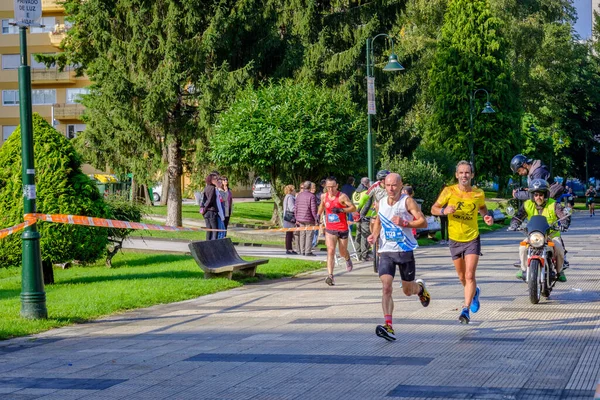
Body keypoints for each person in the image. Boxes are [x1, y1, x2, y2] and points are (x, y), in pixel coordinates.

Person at [368, 173, 431, 341]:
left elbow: (423, 222)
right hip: (386, 251)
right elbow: (379, 222)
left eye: (394, 185)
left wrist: (405, 223)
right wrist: (374, 235)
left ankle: (419, 289)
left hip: (405, 251)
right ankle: (388, 325)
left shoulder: (407, 202)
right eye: (388, 185)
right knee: (386, 287)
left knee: (407, 291)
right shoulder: (380, 203)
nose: (391, 189)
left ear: (400, 185)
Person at [431, 161, 494, 324]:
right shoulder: (449, 191)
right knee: (461, 277)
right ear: (456, 175)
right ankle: (474, 293)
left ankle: (465, 309)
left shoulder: (478, 193)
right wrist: (444, 211)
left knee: (469, 275)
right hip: (455, 238)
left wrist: (486, 217)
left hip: (472, 237)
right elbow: (434, 208)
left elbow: (482, 208)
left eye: (467, 173)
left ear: (472, 175)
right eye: (461, 173)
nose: (464, 175)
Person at [508, 179, 570, 282]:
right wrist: (515, 223)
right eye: (536, 195)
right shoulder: (527, 204)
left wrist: (564, 223)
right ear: (532, 195)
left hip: (551, 235)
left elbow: (563, 215)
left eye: (541, 195)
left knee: (559, 248)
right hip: (534, 235)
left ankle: (559, 271)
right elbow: (518, 216)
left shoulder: (554, 204)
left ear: (546, 194)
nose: (538, 197)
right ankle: (524, 270)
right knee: (522, 248)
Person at [317, 176, 357, 286]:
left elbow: (353, 208)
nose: (330, 189)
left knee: (342, 251)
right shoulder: (324, 196)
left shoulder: (342, 196)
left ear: (337, 186)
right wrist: (318, 215)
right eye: (328, 187)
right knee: (330, 250)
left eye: (333, 187)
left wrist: (341, 209)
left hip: (342, 228)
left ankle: (347, 258)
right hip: (330, 229)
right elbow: (321, 206)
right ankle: (330, 276)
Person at [294, 181, 318, 256]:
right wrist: (316, 219)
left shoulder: (299, 195)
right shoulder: (312, 196)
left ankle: (302, 250)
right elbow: (313, 209)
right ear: (310, 187)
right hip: (309, 219)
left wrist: (296, 217)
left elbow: (296, 208)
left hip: (300, 218)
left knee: (302, 234)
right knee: (309, 235)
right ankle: (307, 251)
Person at [352, 177, 372, 261]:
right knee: (365, 235)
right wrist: (362, 214)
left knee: (358, 235)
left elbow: (352, 204)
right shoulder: (367, 193)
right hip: (365, 216)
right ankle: (365, 255)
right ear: (367, 184)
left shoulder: (355, 193)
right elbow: (367, 205)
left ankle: (358, 254)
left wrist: (355, 214)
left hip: (356, 216)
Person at [201, 173, 221, 240]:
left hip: (206, 212)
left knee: (208, 230)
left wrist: (203, 209)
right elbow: (209, 200)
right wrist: (205, 209)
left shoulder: (206, 188)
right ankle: (213, 245)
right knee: (214, 230)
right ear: (211, 180)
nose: (216, 180)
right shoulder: (212, 188)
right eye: (215, 179)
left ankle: (207, 243)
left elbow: (203, 200)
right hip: (211, 211)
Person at [282, 185, 298, 255]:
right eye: (294, 190)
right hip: (289, 218)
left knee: (289, 234)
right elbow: (292, 208)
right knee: (289, 234)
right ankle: (289, 249)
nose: (295, 191)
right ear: (291, 190)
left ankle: (290, 248)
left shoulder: (287, 197)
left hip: (287, 218)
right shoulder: (290, 197)